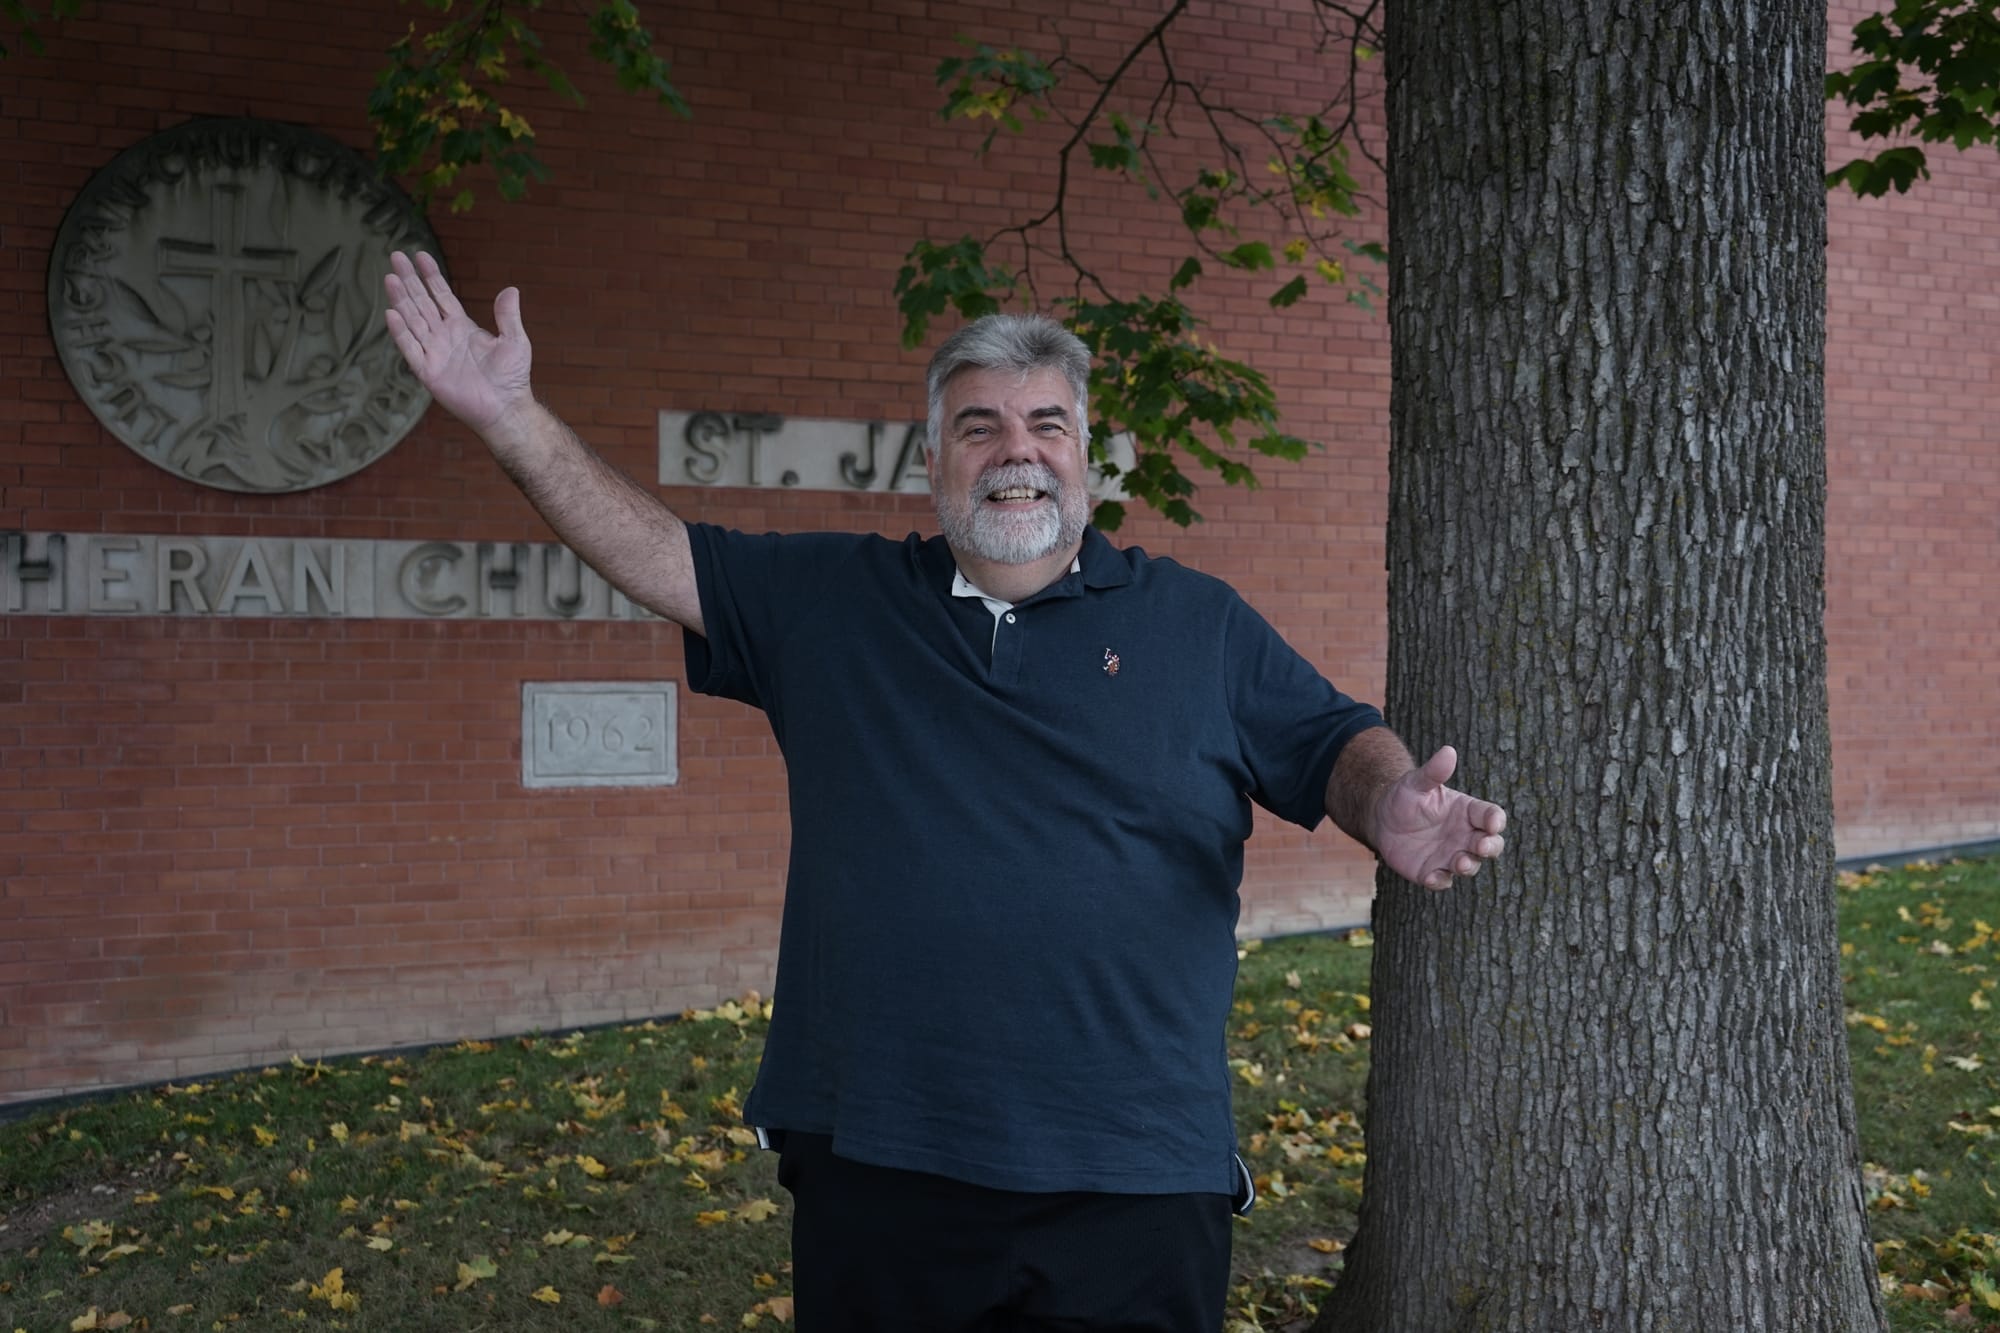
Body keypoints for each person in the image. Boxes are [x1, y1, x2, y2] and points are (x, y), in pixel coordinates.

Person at [383, 250, 1507, 1333]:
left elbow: (1331, 741)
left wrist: (1387, 802)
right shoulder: (836, 604)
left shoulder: (1197, 624)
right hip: (884, 1162)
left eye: (1047, 424)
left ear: (1085, 456)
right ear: (933, 459)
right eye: (980, 426)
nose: (1017, 450)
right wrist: (510, 419)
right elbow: (654, 553)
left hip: (1133, 1172)